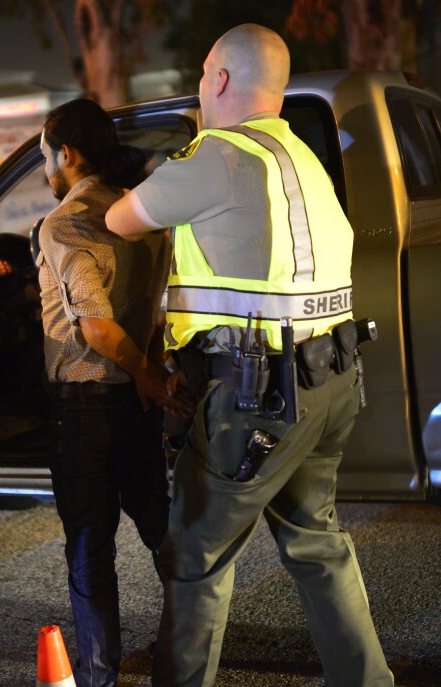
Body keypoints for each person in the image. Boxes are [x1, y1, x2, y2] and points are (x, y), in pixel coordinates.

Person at [105, 24, 394, 687]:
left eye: (204, 73)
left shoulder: (217, 157)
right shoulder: (304, 161)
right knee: (317, 543)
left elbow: (120, 220)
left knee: (195, 558)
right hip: (331, 383)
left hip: (255, 400)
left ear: (220, 79)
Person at [37, 98, 192, 687]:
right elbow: (155, 309)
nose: (46, 170)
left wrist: (145, 374)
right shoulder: (139, 213)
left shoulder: (65, 223)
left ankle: (100, 674)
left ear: (67, 154)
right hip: (137, 404)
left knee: (89, 546)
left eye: (45, 157)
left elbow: (96, 326)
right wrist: (150, 373)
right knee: (159, 526)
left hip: (86, 405)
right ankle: (187, 648)